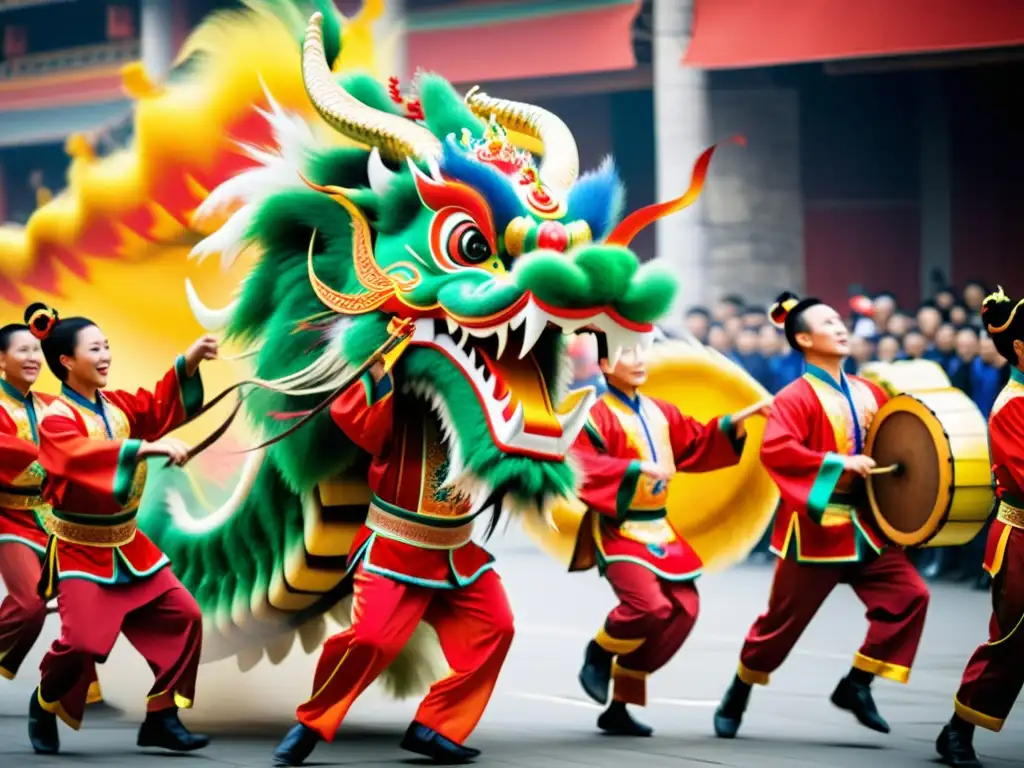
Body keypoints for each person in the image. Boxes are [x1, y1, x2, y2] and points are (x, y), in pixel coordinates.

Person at [272, 353, 515, 767]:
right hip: (395, 544)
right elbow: (364, 429)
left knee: (496, 627)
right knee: (371, 640)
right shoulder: (398, 371)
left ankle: (436, 726)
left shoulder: (486, 381)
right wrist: (380, 375)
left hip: (457, 551)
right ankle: (312, 722)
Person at [713, 291, 930, 740]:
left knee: (910, 596)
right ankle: (740, 689)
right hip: (815, 529)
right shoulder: (793, 397)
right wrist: (838, 464)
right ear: (806, 339)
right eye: (829, 322)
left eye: (840, 321)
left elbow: (899, 441)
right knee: (779, 626)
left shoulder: (870, 390)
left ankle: (857, 684)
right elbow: (777, 450)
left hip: (867, 526)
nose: (840, 326)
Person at [25, 303, 216, 756]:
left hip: (129, 545)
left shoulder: (115, 407)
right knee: (81, 644)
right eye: (95, 348)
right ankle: (44, 701)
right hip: (82, 549)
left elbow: (153, 408)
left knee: (184, 616)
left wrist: (187, 361)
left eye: (107, 345)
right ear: (67, 362)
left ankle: (162, 718)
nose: (106, 354)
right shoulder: (56, 418)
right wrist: (144, 450)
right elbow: (75, 457)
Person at [570, 342, 769, 735]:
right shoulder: (593, 415)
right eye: (629, 354)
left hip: (659, 527)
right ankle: (599, 650)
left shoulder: (662, 412)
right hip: (619, 526)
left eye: (642, 353)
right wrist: (634, 468)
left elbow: (696, 442)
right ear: (606, 364)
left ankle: (621, 704)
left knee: (684, 612)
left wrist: (734, 424)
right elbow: (581, 464)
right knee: (649, 607)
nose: (640, 361)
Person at [0, 322, 119, 713]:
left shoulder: (51, 405)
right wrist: (63, 459)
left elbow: (85, 441)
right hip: (9, 518)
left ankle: (79, 688)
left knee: (83, 599)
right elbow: (15, 455)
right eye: (22, 351)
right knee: (30, 605)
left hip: (53, 517)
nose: (33, 358)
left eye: (37, 351)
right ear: (1, 360)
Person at [936, 287, 1024, 768]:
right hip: (1020, 539)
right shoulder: (1011, 406)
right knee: (1012, 642)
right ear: (1020, 349)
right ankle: (959, 727)